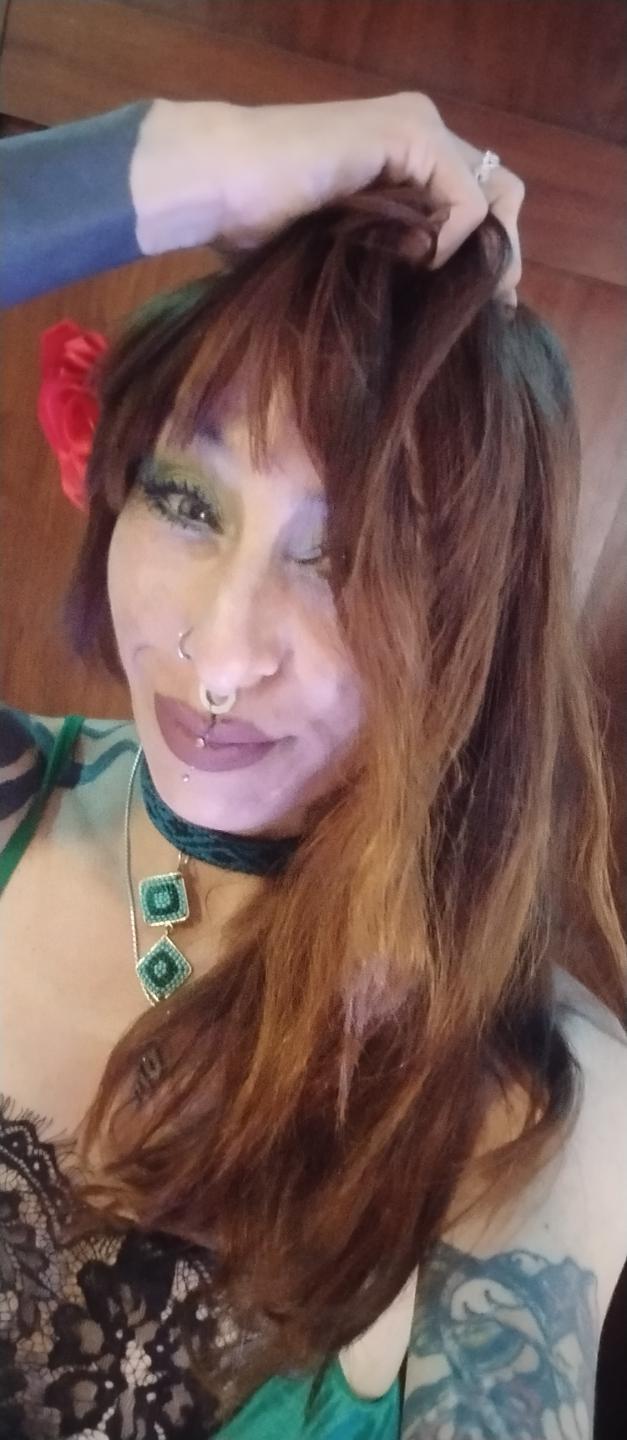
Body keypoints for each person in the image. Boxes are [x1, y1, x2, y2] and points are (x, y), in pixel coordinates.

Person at [0, 92, 624, 1440]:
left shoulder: (525, 1096)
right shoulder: (15, 803)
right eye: (187, 499)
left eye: (351, 560)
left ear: (473, 625)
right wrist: (200, 154)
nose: (218, 656)